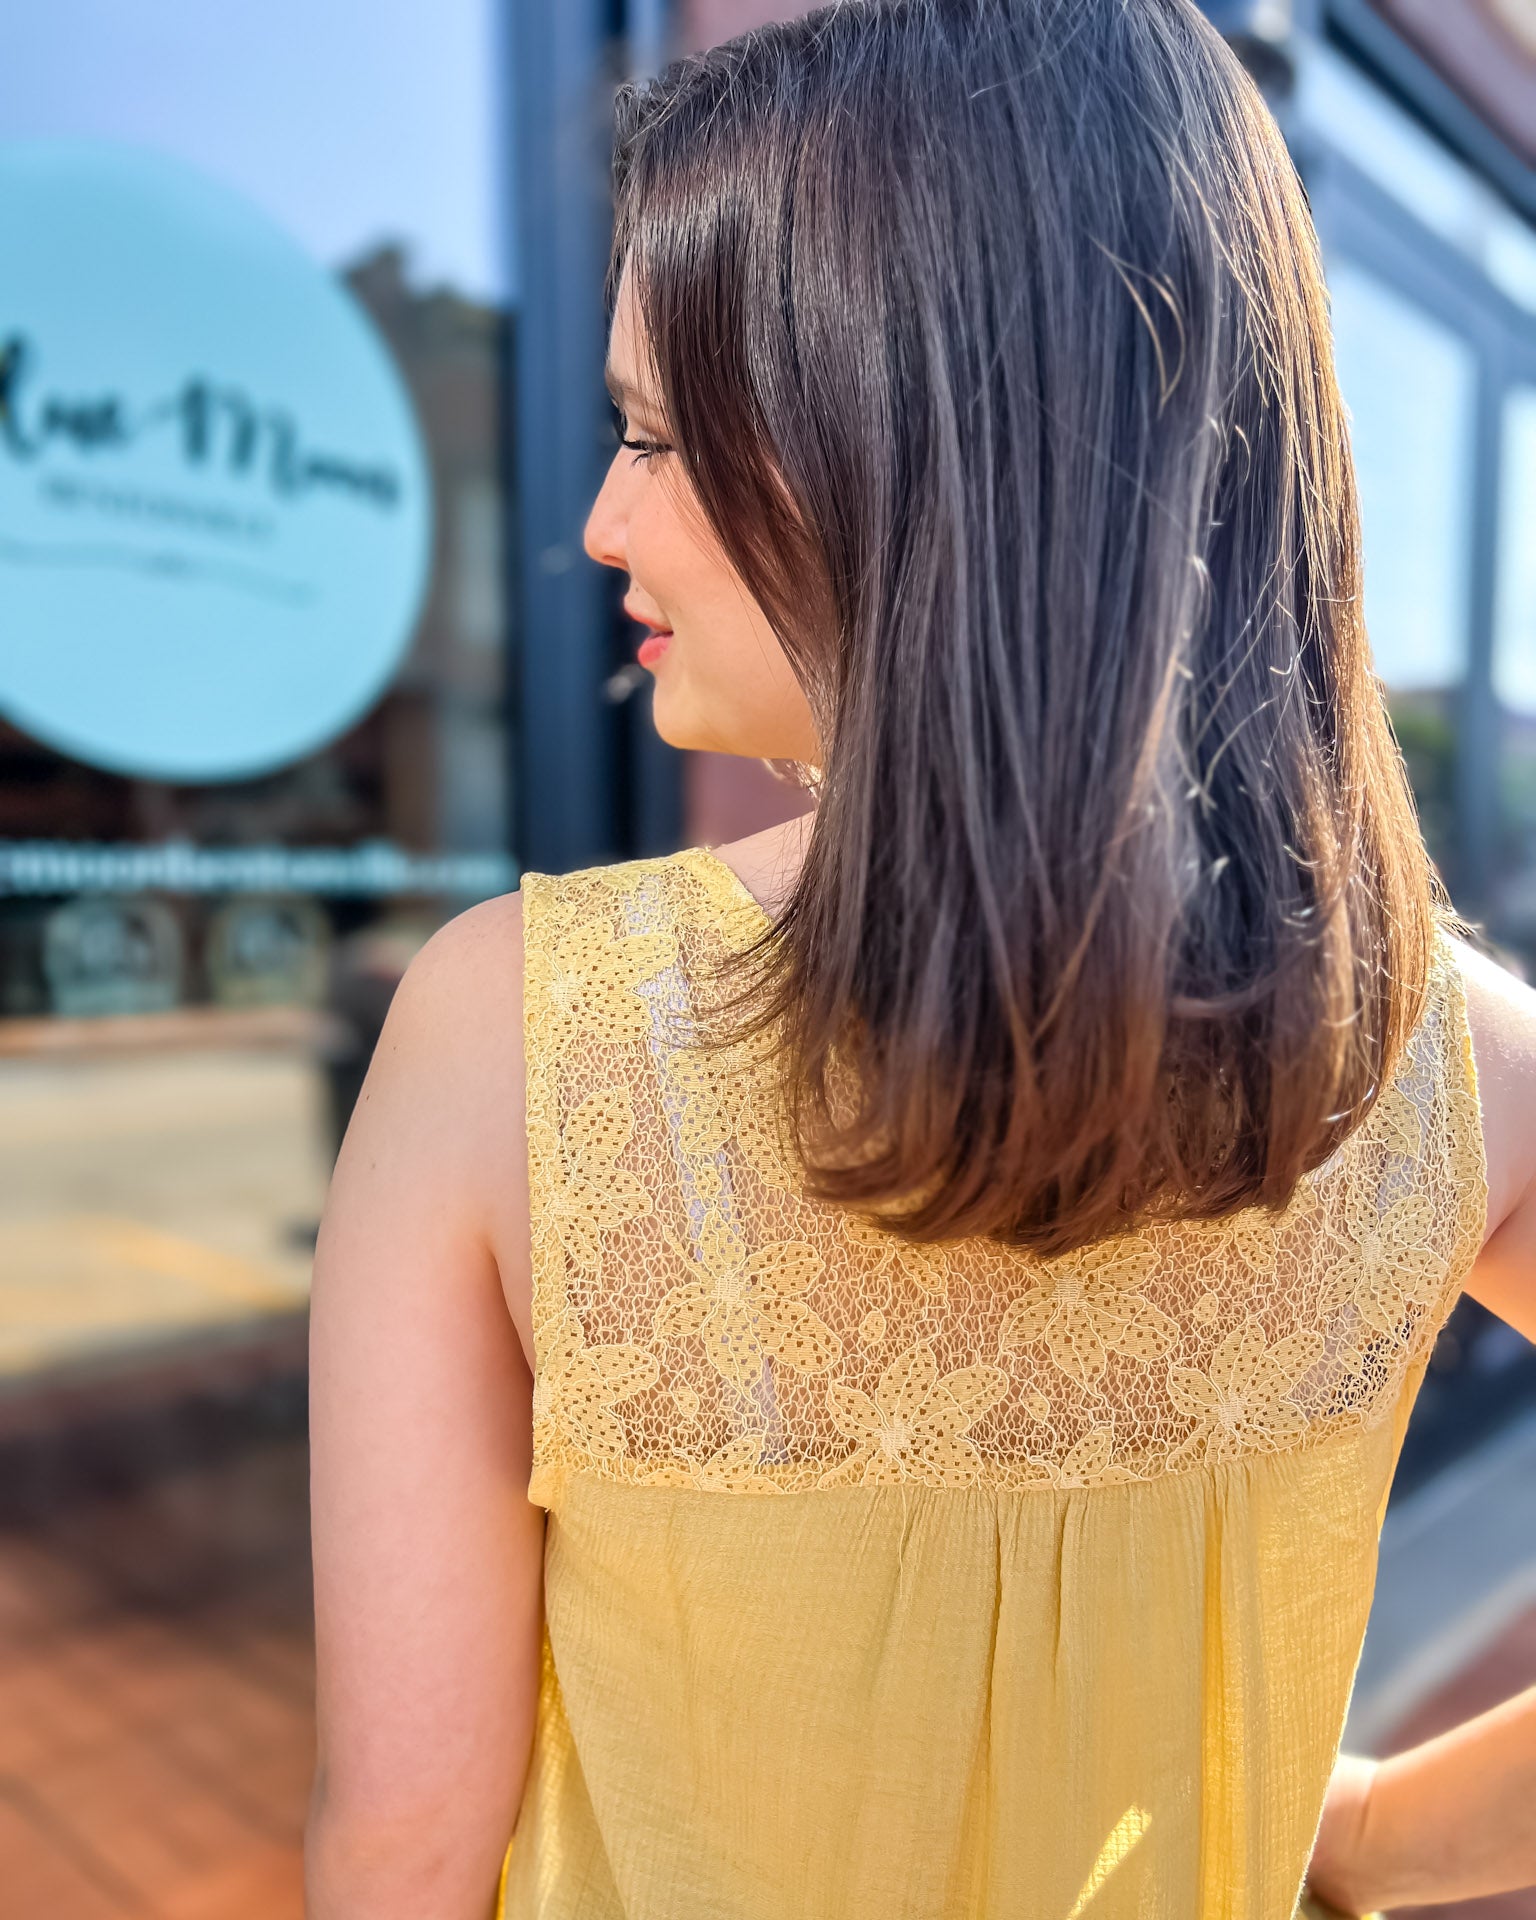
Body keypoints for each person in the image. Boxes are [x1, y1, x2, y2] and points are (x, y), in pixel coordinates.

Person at [302, 3, 1536, 1915]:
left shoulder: (510, 1038)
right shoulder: (1442, 1057)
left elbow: (404, 1855)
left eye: (650, 432)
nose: (601, 518)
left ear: (892, 431)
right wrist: (1362, 1833)